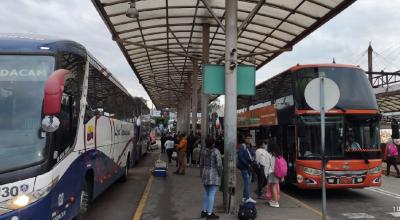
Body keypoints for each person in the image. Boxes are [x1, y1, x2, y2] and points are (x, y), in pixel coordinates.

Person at [199, 136, 223, 219]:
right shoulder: (216, 152)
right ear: (213, 143)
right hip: (213, 174)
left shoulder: (203, 151)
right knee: (212, 194)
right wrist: (220, 174)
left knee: (206, 193)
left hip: (205, 173)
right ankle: (209, 213)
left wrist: (201, 174)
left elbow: (201, 163)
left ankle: (204, 211)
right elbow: (219, 165)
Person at [236, 133, 256, 203]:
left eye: (250, 138)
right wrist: (247, 164)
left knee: (247, 183)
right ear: (245, 139)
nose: (249, 140)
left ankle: (245, 197)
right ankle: (247, 197)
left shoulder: (250, 146)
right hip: (244, 167)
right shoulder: (242, 146)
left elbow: (252, 155)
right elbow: (240, 157)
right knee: (247, 182)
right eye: (248, 138)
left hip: (249, 167)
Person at [266, 142, 281, 208]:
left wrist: (266, 174)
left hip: (272, 172)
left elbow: (267, 165)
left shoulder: (270, 154)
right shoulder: (278, 154)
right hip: (277, 172)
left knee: (273, 187)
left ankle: (276, 202)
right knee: (274, 187)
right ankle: (273, 200)